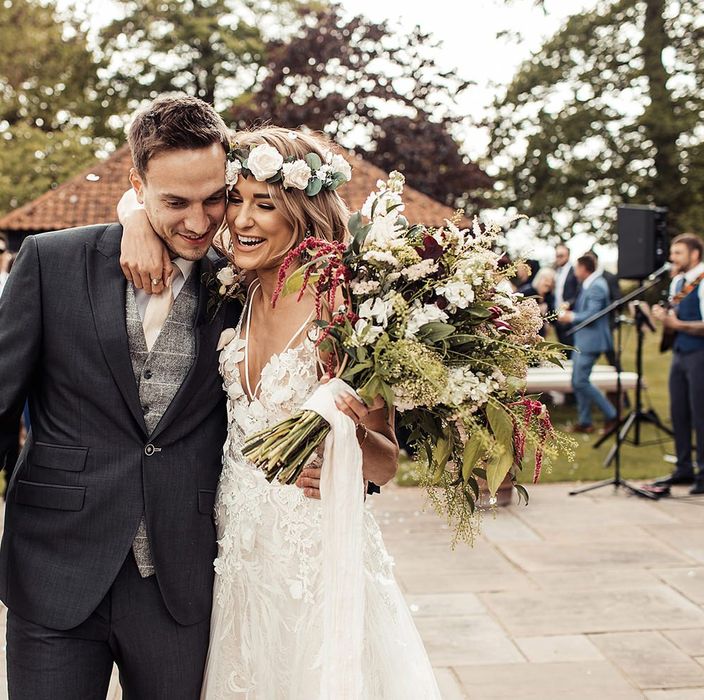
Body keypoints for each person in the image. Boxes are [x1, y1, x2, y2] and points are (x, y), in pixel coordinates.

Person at [0, 95, 389, 699]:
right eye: (174, 203)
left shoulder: (243, 281)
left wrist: (349, 465)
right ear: (137, 184)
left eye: (214, 199)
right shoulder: (51, 262)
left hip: (185, 581)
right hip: (53, 567)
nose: (201, 222)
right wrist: (133, 219)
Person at [120, 126, 441, 697]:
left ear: (301, 210)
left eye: (263, 204)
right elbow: (154, 195)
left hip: (313, 550)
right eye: (235, 200)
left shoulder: (345, 311)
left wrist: (340, 439)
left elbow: (386, 462)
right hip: (236, 549)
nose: (240, 220)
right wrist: (135, 221)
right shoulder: (233, 292)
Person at [652, 233, 704, 495]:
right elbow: (674, 322)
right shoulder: (678, 283)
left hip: (702, 356)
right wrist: (662, 317)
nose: (672, 258)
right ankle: (683, 469)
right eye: (672, 253)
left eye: (678, 253)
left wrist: (676, 324)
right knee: (679, 413)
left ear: (694, 255)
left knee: (699, 414)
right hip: (680, 354)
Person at [559, 254, 618, 434]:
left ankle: (613, 415)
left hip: (592, 341)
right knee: (577, 382)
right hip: (583, 340)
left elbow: (593, 314)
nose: (575, 272)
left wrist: (571, 317)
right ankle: (585, 422)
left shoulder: (597, 286)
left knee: (581, 381)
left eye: (577, 268)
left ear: (584, 268)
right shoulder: (589, 284)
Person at [553, 243, 579, 355]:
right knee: (561, 346)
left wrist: (569, 303)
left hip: (569, 312)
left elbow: (578, 292)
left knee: (569, 346)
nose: (558, 258)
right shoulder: (556, 271)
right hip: (557, 313)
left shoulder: (574, 272)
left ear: (568, 256)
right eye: (557, 255)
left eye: (561, 255)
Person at [519, 267, 556, 337]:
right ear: (539, 279)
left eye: (551, 281)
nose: (548, 283)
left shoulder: (549, 297)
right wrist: (536, 309)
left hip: (540, 334)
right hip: (524, 331)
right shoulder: (527, 292)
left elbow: (553, 318)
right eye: (546, 280)